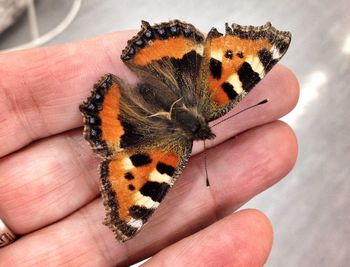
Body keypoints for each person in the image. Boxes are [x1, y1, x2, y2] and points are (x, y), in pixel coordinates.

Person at [0, 30, 299, 266]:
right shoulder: (180, 144)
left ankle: (131, 73)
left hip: (157, 78)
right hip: (171, 78)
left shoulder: (175, 147)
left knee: (233, 82)